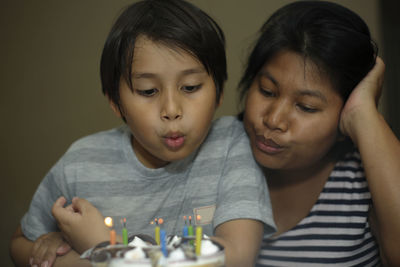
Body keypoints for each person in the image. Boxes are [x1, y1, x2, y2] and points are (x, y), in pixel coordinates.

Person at [9, 0, 275, 266]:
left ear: (219, 92)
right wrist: (62, 249)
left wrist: (104, 250)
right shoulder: (81, 162)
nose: (171, 110)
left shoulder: (231, 145)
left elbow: (237, 257)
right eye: (148, 91)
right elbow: (20, 245)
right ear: (116, 102)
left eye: (191, 87)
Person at [238, 1, 400, 266]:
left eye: (306, 107)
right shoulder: (219, 151)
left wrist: (364, 115)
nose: (274, 120)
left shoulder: (363, 179)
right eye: (267, 91)